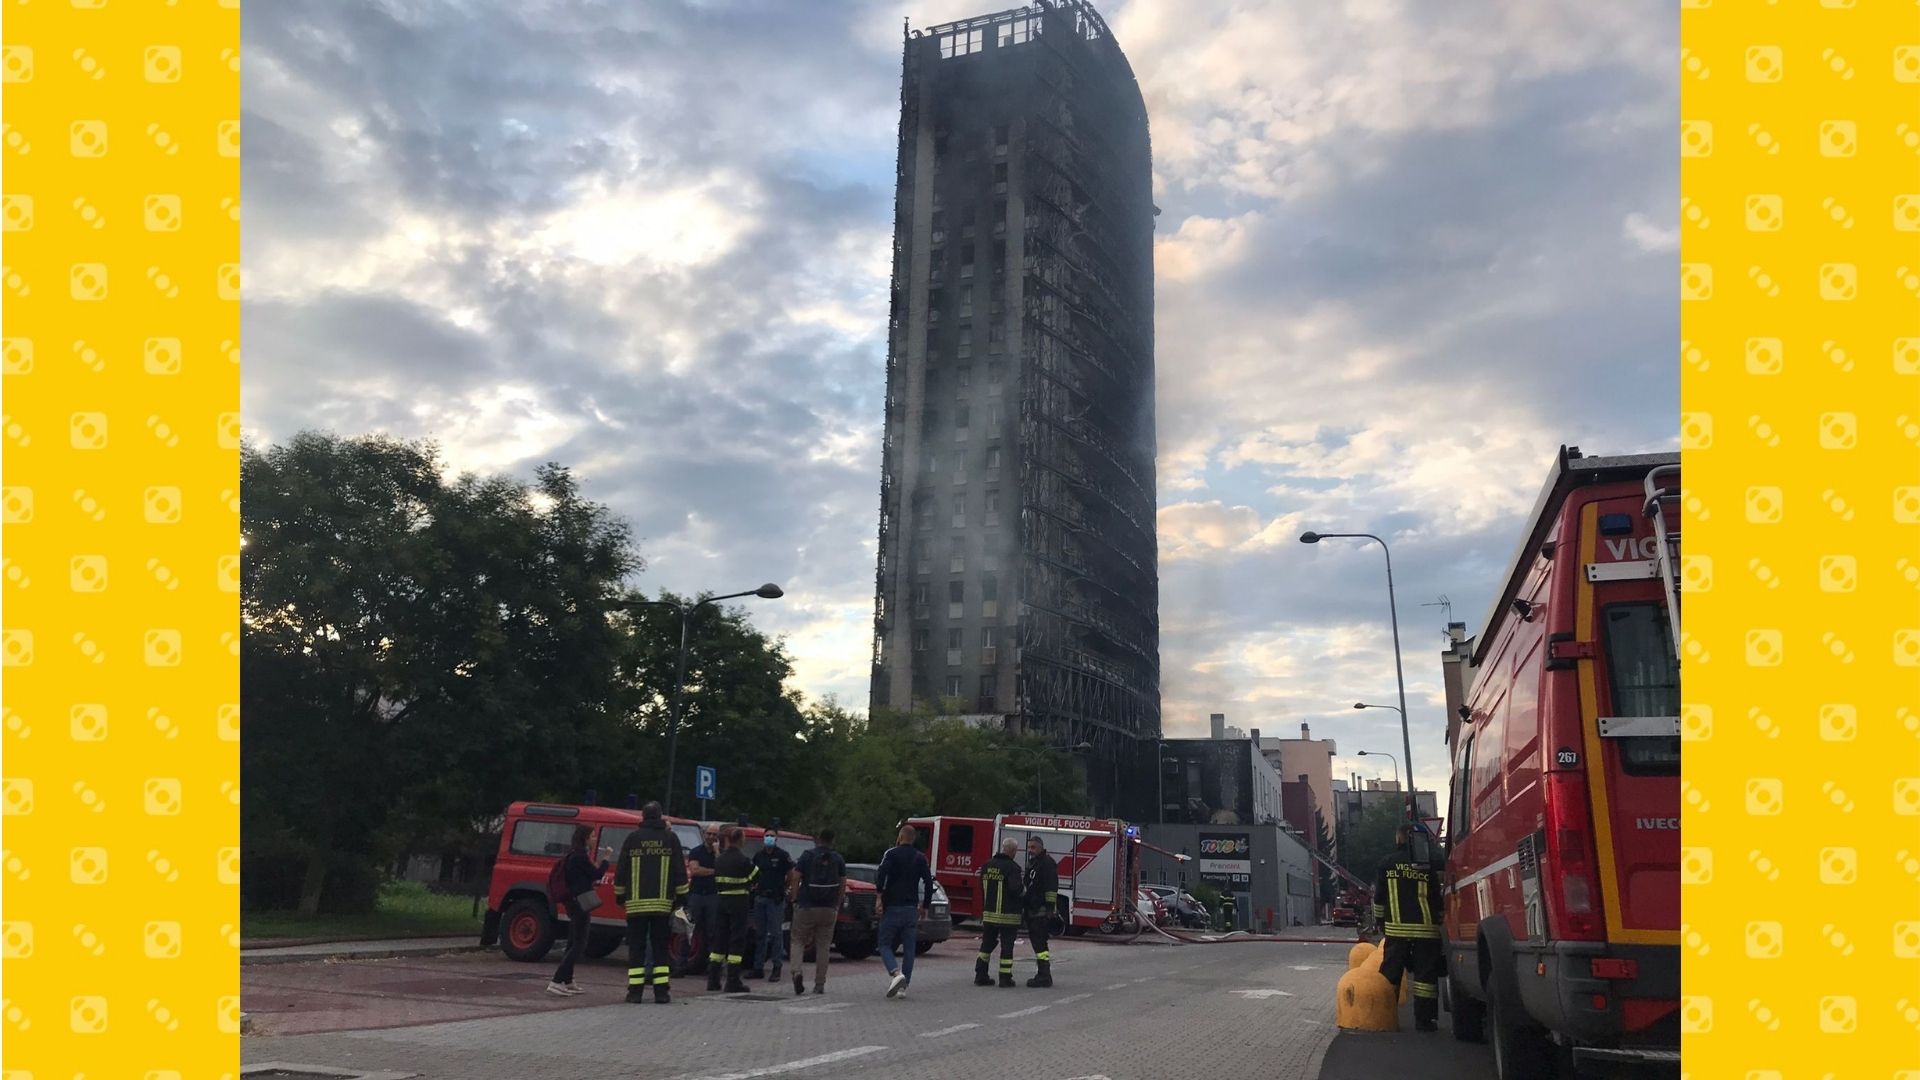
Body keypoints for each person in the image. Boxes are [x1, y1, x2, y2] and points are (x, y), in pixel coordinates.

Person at [612, 801, 688, 1004]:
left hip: (636, 907)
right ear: (660, 816)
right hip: (662, 907)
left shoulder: (632, 838)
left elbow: (621, 870)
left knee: (636, 949)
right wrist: (681, 898)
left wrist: (620, 896)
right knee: (660, 950)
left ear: (643, 817)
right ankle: (661, 993)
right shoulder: (670, 838)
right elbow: (680, 870)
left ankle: (634, 993)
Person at [1374, 823, 1445, 1032]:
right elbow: (1435, 896)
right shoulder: (1425, 864)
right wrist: (1439, 919)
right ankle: (1425, 1021)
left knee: (1391, 973)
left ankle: (1385, 1015)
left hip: (1396, 930)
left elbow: (1379, 897)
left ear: (1399, 838)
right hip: (1426, 930)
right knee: (1425, 978)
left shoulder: (1387, 863)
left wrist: (1380, 922)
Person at [547, 824, 610, 996]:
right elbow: (596, 875)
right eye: (592, 836)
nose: (595, 839)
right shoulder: (580, 857)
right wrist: (606, 860)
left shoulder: (574, 855)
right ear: (585, 838)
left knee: (572, 941)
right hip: (578, 902)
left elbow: (586, 875)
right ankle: (556, 980)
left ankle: (567, 980)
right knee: (580, 943)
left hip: (573, 901)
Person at [874, 824, 935, 998]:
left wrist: (879, 897)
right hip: (911, 908)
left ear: (900, 837)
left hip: (892, 906)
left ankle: (895, 973)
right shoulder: (920, 857)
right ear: (914, 838)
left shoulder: (891, 854)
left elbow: (881, 874)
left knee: (884, 943)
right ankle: (903, 987)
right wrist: (925, 906)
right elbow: (928, 884)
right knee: (909, 947)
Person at [788, 828, 846, 995]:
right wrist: (838, 902)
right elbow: (843, 882)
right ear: (832, 840)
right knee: (824, 946)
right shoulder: (838, 858)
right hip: (829, 908)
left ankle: (797, 972)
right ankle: (819, 984)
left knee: (798, 940)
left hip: (807, 905)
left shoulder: (807, 856)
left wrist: (794, 897)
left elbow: (796, 877)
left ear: (818, 839)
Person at [709, 825, 759, 994]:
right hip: (739, 902)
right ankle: (732, 981)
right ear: (740, 840)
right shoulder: (744, 860)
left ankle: (713, 980)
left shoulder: (719, 859)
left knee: (719, 939)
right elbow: (757, 878)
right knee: (737, 941)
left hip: (722, 900)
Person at [976, 838, 1024, 988]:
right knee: (1007, 946)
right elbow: (1016, 889)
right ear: (1012, 851)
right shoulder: (1012, 868)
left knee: (986, 945)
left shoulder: (986, 865)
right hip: (1008, 916)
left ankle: (980, 975)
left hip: (989, 914)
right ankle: (1005, 978)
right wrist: (1026, 891)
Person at [748, 832, 795, 982]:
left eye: (771, 836)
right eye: (766, 835)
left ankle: (776, 968)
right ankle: (758, 968)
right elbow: (753, 873)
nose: (768, 838)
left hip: (775, 899)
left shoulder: (782, 855)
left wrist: (784, 888)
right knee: (759, 934)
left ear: (776, 839)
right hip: (760, 897)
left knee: (776, 934)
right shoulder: (758, 856)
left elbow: (791, 874)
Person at [683, 825, 721, 976]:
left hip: (713, 895)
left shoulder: (720, 853)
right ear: (704, 834)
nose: (711, 837)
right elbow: (695, 871)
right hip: (696, 895)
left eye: (714, 834)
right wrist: (713, 871)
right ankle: (681, 964)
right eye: (709, 833)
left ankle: (712, 968)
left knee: (713, 932)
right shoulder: (696, 851)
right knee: (688, 930)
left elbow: (722, 868)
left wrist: (717, 852)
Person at [1021, 835, 1058, 988]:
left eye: (1033, 847)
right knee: (1038, 944)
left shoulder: (1047, 863)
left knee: (1040, 943)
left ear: (1041, 848)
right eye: (1029, 847)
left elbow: (1051, 887)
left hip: (1041, 911)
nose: (1030, 850)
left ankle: (1044, 975)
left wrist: (1049, 908)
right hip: (1032, 909)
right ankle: (1043, 974)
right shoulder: (1033, 863)